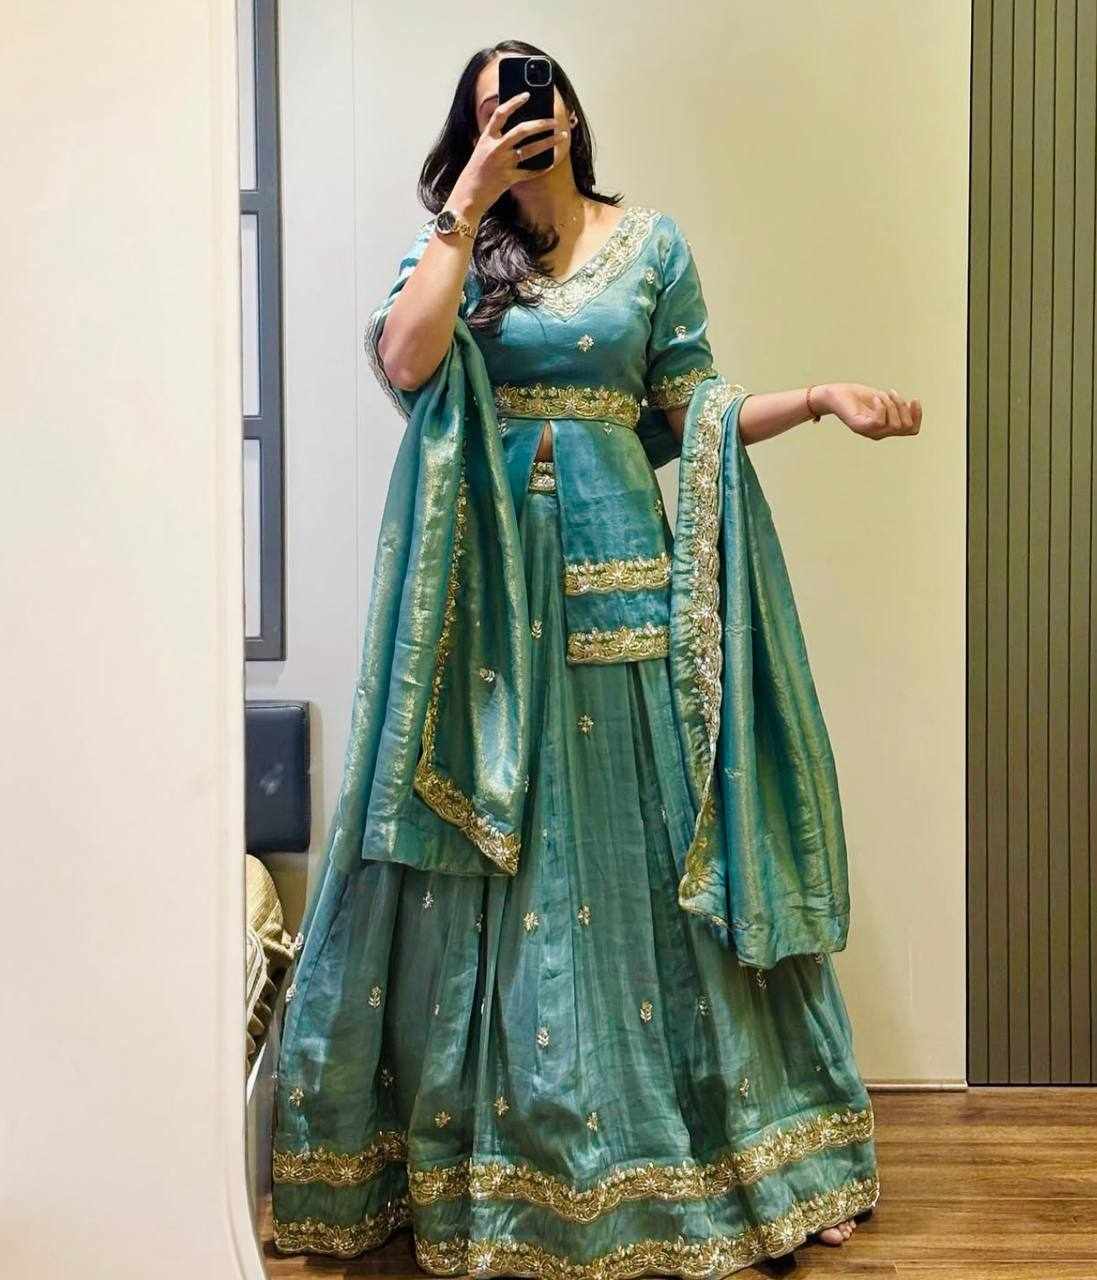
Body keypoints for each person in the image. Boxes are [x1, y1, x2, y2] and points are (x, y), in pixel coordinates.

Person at [269, 37, 921, 1277]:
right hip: (485, 610)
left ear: (570, 112)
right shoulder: (460, 250)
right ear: (470, 135)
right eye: (490, 110)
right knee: (489, 858)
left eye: (537, 94)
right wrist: (464, 205)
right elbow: (404, 361)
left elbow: (695, 411)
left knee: (656, 856)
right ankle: (476, 1165)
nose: (523, 116)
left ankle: (751, 1155)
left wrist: (816, 397)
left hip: (624, 587)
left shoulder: (651, 247)